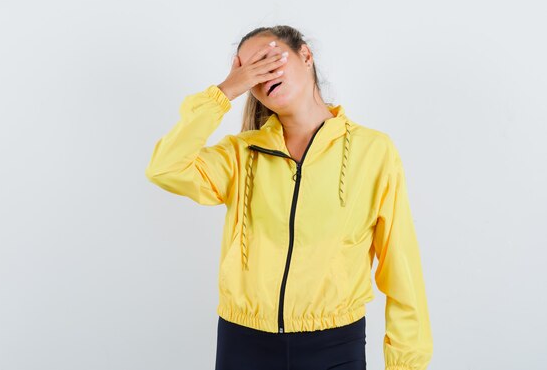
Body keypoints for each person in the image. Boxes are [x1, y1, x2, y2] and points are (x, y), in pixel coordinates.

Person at [145, 25, 433, 370]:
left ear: (305, 55)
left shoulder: (373, 150)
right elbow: (165, 168)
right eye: (249, 71)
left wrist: (406, 364)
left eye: (268, 60)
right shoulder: (241, 154)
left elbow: (401, 265)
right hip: (244, 343)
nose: (261, 75)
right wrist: (225, 91)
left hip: (334, 344)